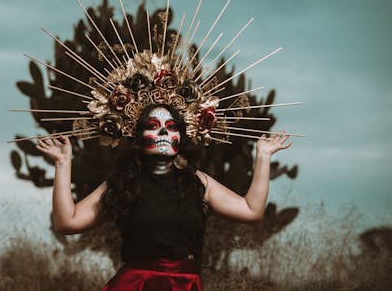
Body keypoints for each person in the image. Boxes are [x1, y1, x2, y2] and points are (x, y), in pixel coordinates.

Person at [36, 103, 292, 290]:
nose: (163, 134)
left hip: (185, 285)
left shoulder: (198, 182)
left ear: (180, 136)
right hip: (136, 285)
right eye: (152, 126)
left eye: (171, 128)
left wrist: (264, 157)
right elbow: (67, 222)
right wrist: (62, 164)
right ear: (137, 136)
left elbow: (251, 210)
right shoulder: (122, 183)